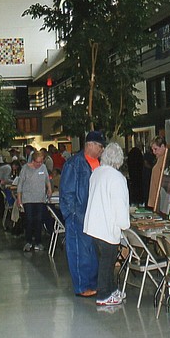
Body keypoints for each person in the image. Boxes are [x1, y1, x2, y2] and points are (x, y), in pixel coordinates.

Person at [84, 143, 130, 307]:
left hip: (93, 225)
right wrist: (124, 224)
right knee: (107, 263)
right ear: (119, 160)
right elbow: (120, 205)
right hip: (107, 228)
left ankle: (111, 290)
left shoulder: (96, 173)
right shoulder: (118, 178)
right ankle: (103, 295)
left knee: (105, 261)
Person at [60, 131, 105, 297]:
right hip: (78, 216)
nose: (102, 150)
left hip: (94, 217)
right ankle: (81, 286)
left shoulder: (99, 163)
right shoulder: (74, 164)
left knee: (92, 253)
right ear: (90, 144)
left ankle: (92, 283)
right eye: (100, 146)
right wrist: (73, 216)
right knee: (80, 252)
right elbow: (67, 194)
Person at [17, 150, 52, 252]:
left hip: (40, 199)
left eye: (41, 162)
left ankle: (38, 242)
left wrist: (49, 188)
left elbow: (47, 179)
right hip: (28, 199)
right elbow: (20, 184)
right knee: (29, 220)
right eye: (37, 162)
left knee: (38, 220)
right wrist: (19, 199)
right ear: (33, 160)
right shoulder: (25, 169)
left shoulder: (43, 168)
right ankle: (28, 242)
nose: (39, 164)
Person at [147, 136, 167, 209]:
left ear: (163, 146)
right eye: (152, 150)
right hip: (157, 198)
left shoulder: (166, 160)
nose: (154, 152)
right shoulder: (159, 159)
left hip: (163, 198)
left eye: (156, 149)